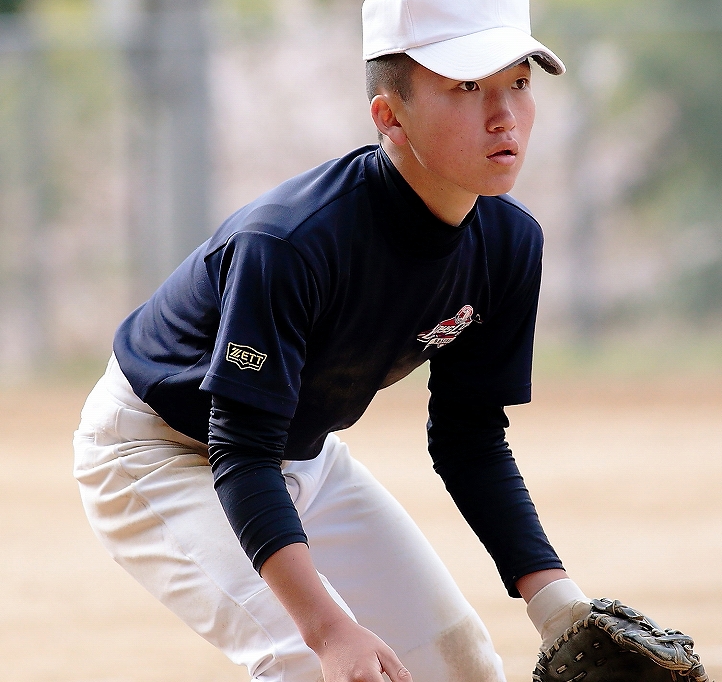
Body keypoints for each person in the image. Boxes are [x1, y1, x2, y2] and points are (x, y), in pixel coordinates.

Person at [72, 1, 595, 681]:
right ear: (389, 116)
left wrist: (556, 604)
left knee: (460, 664)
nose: (504, 116)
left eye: (519, 83)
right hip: (159, 451)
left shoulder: (509, 242)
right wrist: (326, 629)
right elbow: (240, 449)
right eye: (467, 87)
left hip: (295, 451)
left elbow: (470, 438)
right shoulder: (289, 244)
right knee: (322, 664)